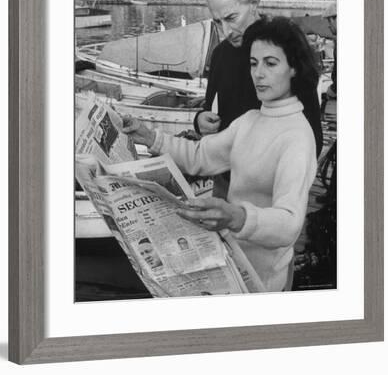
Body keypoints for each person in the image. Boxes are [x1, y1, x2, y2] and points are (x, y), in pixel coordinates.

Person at [123, 17, 318, 292]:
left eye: (270, 63)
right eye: (253, 63)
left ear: (294, 69)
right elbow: (200, 156)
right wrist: (150, 137)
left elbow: (289, 223)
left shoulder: (297, 136)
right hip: (231, 260)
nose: (258, 73)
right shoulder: (250, 120)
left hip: (264, 280)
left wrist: (237, 217)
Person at [195, 0, 323, 156]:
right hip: (223, 177)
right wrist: (199, 121)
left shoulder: (288, 47)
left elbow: (313, 138)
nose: (226, 31)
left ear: (254, 2)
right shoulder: (220, 54)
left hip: (270, 181)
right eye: (218, 22)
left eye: (231, 18)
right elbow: (210, 108)